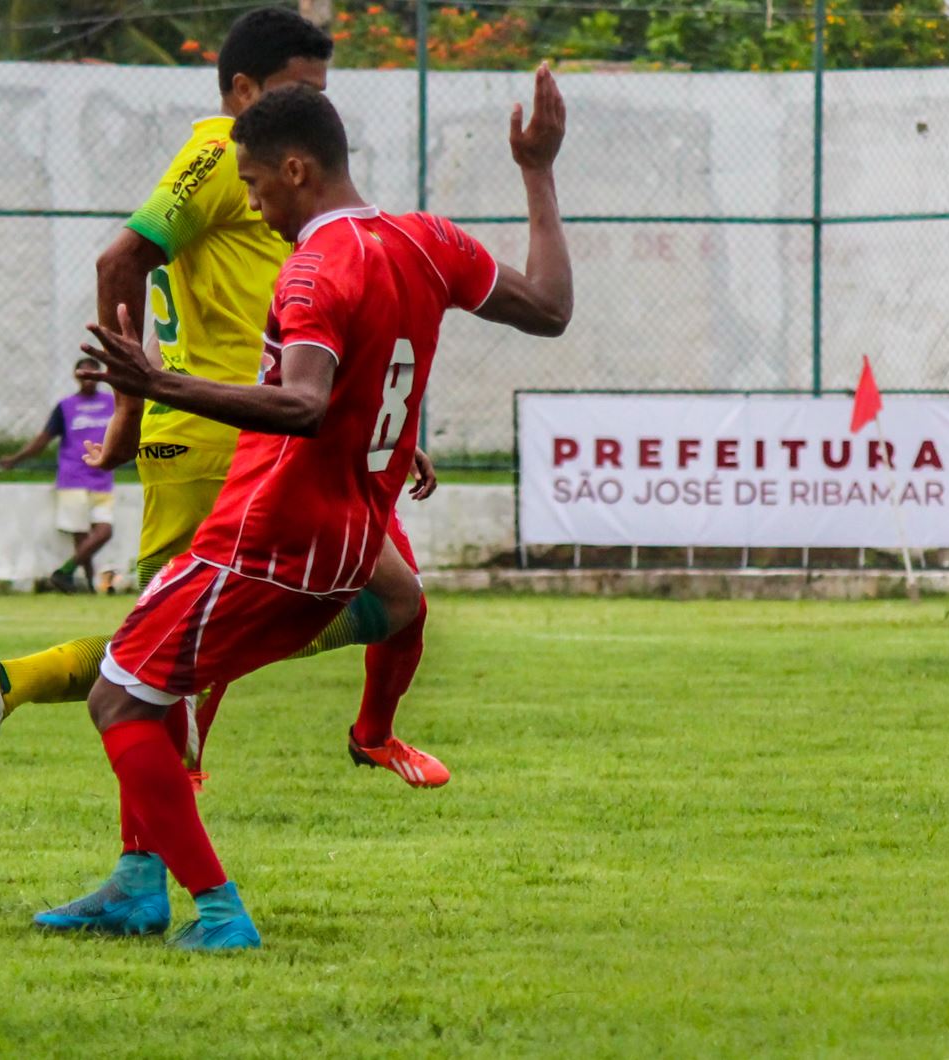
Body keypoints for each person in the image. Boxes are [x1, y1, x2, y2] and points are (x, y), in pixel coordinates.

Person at [35, 71, 572, 950]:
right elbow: (549, 309)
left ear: (292, 171)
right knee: (158, 680)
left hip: (268, 536)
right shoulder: (426, 240)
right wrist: (539, 172)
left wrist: (157, 382)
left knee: (118, 701)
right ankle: (143, 884)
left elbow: (305, 404)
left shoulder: (314, 268)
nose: (252, 205)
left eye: (250, 185)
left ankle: (214, 910)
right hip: (352, 547)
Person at [0, 7, 444, 802]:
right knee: (164, 653)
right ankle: (142, 841)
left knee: (387, 601)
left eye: (321, 91)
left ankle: (24, 693)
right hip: (217, 434)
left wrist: (371, 413)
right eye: (296, 88)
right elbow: (120, 261)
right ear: (243, 90)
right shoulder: (221, 154)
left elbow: (301, 319)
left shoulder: (277, 176)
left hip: (270, 430)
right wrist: (129, 412)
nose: (315, 108)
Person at [0, 357, 117, 593]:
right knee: (81, 535)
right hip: (73, 477)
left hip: (102, 478)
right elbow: (42, 441)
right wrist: (15, 459)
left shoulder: (112, 404)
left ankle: (65, 571)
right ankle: (90, 587)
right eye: (83, 374)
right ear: (75, 376)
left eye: (92, 374)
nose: (87, 379)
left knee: (104, 531)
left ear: (100, 376)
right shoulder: (66, 407)